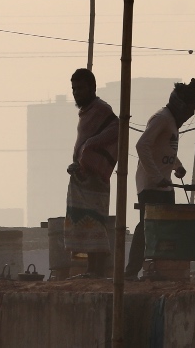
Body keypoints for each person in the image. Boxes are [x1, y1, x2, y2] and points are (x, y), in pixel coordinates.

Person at [124, 79, 195, 276]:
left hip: (164, 185)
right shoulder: (162, 119)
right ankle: (132, 272)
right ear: (180, 106)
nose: (189, 117)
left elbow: (164, 149)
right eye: (189, 111)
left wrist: (178, 166)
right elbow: (142, 146)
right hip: (150, 186)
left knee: (165, 229)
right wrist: (157, 177)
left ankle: (160, 270)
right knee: (147, 228)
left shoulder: (171, 123)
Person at [65, 68, 118, 277]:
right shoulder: (86, 112)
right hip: (81, 177)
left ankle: (97, 270)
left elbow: (117, 128)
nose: (76, 93)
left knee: (96, 222)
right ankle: (90, 269)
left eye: (80, 88)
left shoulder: (101, 109)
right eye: (74, 89)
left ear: (92, 88)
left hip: (95, 177)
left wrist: (90, 146)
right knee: (84, 223)